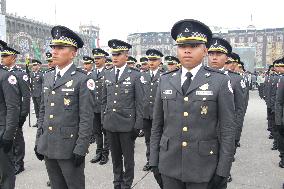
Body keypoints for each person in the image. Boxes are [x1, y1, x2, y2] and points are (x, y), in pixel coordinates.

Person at [150, 19, 235, 189]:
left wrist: (223, 169)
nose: (187, 50)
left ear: (205, 50)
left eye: (194, 45)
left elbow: (227, 129)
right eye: (182, 46)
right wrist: (154, 161)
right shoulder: (165, 80)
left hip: (204, 166)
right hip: (169, 164)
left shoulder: (219, 81)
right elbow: (157, 125)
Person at [34, 25, 95, 189]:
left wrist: (81, 148)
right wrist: (39, 140)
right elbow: (43, 111)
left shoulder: (82, 80)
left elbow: (86, 118)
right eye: (53, 47)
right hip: (49, 145)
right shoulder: (48, 77)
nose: (54, 51)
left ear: (73, 53)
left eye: (60, 48)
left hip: (69, 148)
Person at [102, 39, 143, 189]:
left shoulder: (135, 75)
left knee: (128, 158)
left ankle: (127, 183)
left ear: (126, 55)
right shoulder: (107, 74)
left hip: (127, 125)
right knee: (115, 157)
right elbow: (104, 100)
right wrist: (103, 120)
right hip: (110, 123)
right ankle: (117, 181)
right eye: (113, 54)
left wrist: (137, 126)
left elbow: (140, 103)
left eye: (118, 54)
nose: (115, 57)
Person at [0, 44, 30, 175]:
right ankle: (11, 160)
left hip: (15, 113)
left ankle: (19, 162)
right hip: (4, 114)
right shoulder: (3, 72)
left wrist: (23, 114)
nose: (2, 58)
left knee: (17, 138)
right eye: (1, 56)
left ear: (13, 57)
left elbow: (26, 96)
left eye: (5, 56)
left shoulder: (20, 74)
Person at [0, 39, 21, 189]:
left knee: (5, 174)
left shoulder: (6, 76)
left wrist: (8, 135)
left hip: (1, 132)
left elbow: (13, 108)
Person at [90, 48, 110, 165]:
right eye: (95, 58)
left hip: (104, 108)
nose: (96, 60)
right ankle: (98, 152)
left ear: (104, 59)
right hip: (94, 107)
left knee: (106, 131)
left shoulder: (108, 73)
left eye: (98, 58)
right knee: (97, 131)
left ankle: (105, 153)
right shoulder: (91, 74)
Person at [30, 59, 43, 127]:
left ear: (38, 66)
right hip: (34, 94)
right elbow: (31, 84)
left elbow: (44, 84)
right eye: (33, 65)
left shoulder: (41, 74)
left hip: (40, 94)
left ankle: (41, 122)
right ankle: (38, 121)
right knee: (36, 108)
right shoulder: (32, 73)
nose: (33, 66)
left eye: (35, 65)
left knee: (40, 108)